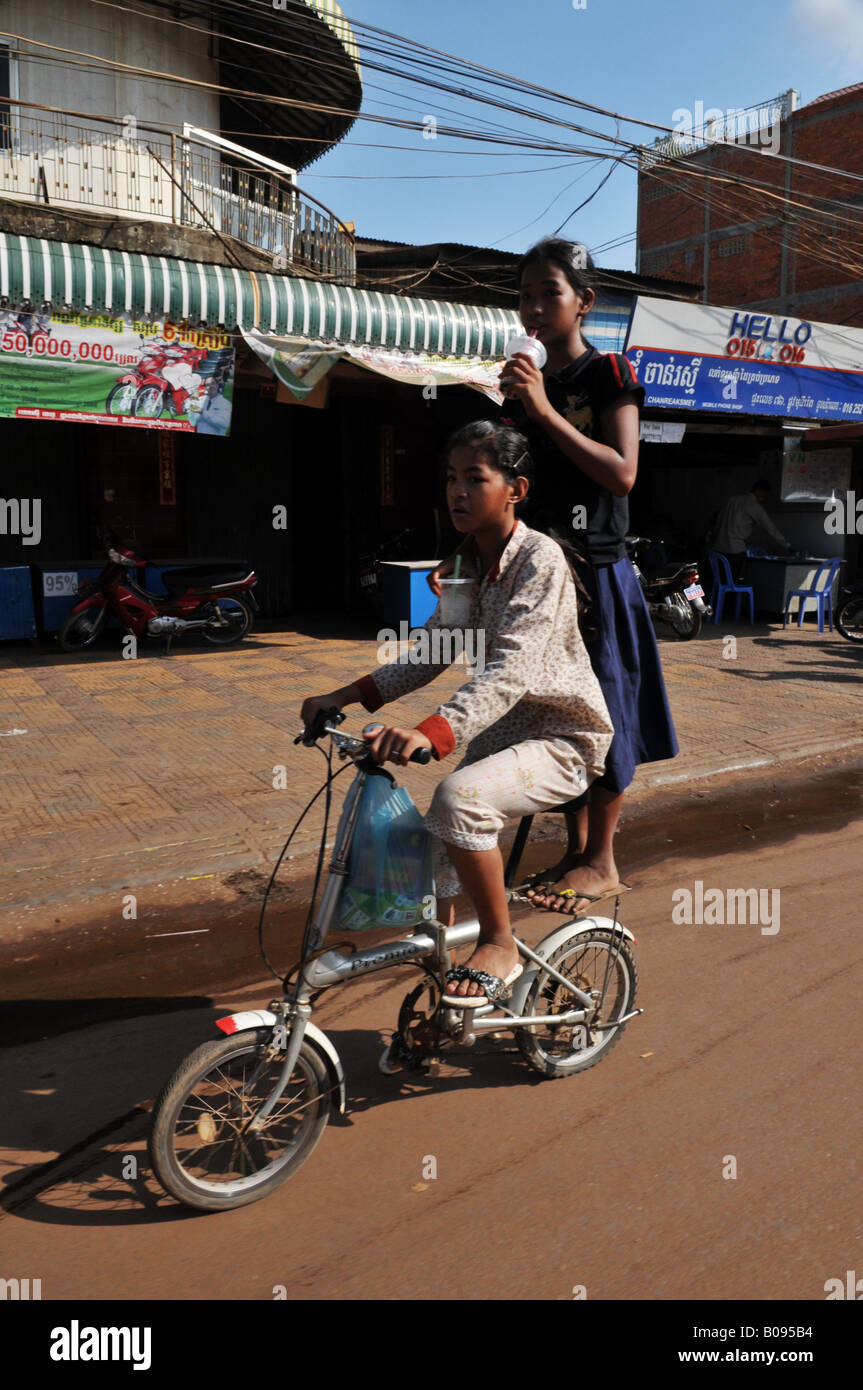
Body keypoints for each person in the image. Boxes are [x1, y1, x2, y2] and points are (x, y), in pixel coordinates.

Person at [300, 422, 614, 1002]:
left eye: (476, 478)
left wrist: (431, 732)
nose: (458, 492)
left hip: (563, 738)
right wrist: (339, 698)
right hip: (504, 738)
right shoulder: (467, 564)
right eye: (451, 479)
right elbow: (430, 654)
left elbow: (511, 672)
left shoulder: (539, 559)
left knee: (458, 800)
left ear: (515, 489)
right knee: (432, 843)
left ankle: (497, 941)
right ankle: (445, 976)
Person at [430, 237, 678, 914]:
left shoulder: (608, 373)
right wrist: (465, 554)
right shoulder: (520, 387)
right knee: (551, 708)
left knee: (606, 709)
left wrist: (541, 410)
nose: (534, 307)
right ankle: (573, 849)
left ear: (584, 303)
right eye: (525, 295)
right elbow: (506, 487)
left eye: (550, 292)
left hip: (597, 573)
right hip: (535, 572)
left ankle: (600, 858)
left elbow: (622, 472)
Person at [711, 480, 793, 582]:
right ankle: (729, 598)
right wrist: (787, 546)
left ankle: (716, 598)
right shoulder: (754, 506)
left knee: (717, 581)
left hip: (717, 548)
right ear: (760, 491)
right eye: (765, 495)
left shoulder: (732, 500)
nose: (764, 498)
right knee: (732, 582)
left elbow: (718, 519)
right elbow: (770, 528)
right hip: (734, 550)